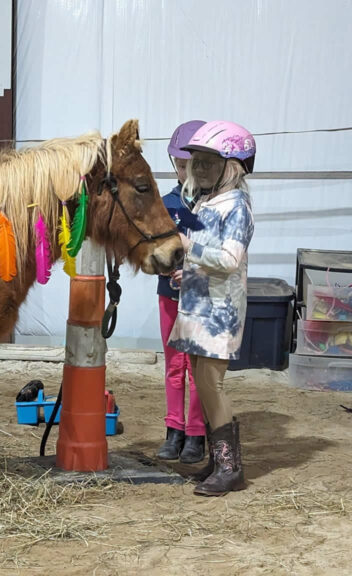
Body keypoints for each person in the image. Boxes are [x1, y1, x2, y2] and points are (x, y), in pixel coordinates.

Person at [168, 120, 256, 497]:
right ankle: (219, 462)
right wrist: (186, 275)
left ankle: (229, 467)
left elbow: (230, 258)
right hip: (199, 304)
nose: (199, 169)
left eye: (208, 162)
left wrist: (190, 249)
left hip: (220, 312)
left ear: (231, 166)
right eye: (196, 161)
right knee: (203, 383)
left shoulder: (236, 206)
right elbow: (208, 258)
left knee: (211, 384)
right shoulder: (207, 202)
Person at [155, 120, 207, 464]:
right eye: (179, 163)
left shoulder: (215, 204)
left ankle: (197, 432)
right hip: (170, 295)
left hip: (203, 297)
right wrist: (167, 270)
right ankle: (174, 429)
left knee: (198, 366)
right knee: (174, 364)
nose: (183, 169)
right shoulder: (164, 203)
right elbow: (154, 248)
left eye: (189, 163)